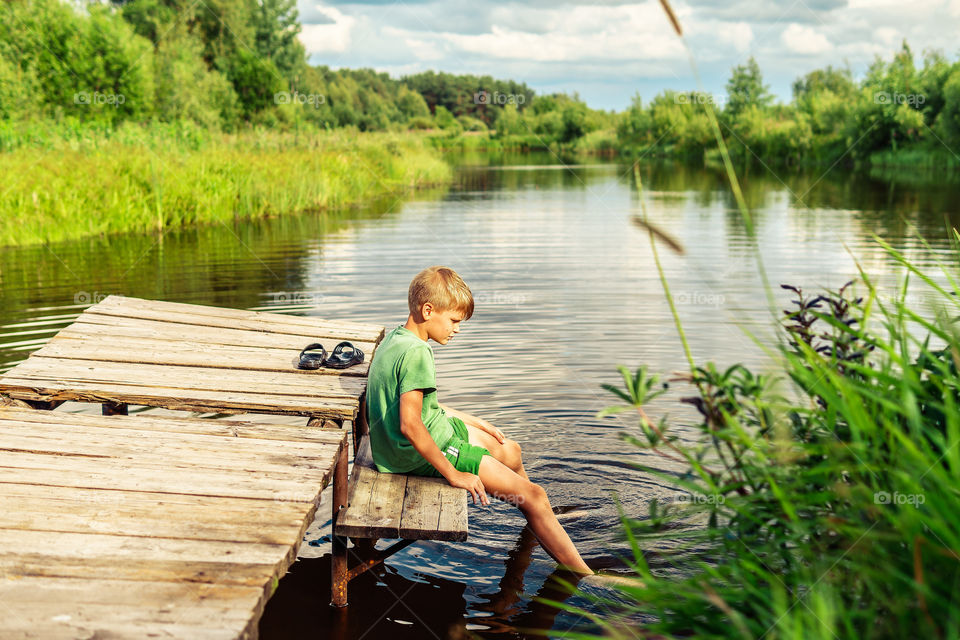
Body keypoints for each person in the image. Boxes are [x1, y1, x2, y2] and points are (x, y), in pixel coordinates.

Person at [366, 265, 592, 576]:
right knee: (536, 496)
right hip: (416, 454)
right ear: (428, 310)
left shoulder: (396, 339)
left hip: (417, 440)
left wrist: (477, 422)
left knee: (510, 449)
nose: (457, 329)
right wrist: (453, 474)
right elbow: (411, 425)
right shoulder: (418, 353)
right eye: (454, 320)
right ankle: (586, 576)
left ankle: (542, 521)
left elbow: (422, 406)